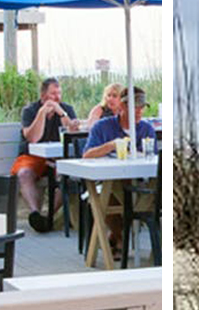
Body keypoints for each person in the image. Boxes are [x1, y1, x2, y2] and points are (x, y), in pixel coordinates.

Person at [83, 87, 157, 259]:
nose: (139, 111)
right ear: (122, 107)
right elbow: (87, 154)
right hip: (109, 181)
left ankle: (131, 219)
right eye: (135, 107)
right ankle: (122, 233)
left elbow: (152, 158)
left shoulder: (147, 130)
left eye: (142, 107)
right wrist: (110, 145)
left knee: (158, 185)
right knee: (110, 192)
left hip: (140, 182)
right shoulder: (103, 127)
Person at [11, 77, 77, 233]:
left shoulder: (66, 109)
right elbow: (33, 138)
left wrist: (61, 113)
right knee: (24, 173)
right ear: (43, 96)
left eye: (59, 93)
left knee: (66, 173)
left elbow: (72, 132)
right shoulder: (30, 111)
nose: (57, 98)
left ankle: (48, 216)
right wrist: (41, 113)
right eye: (53, 94)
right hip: (32, 156)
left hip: (58, 156)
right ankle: (35, 213)